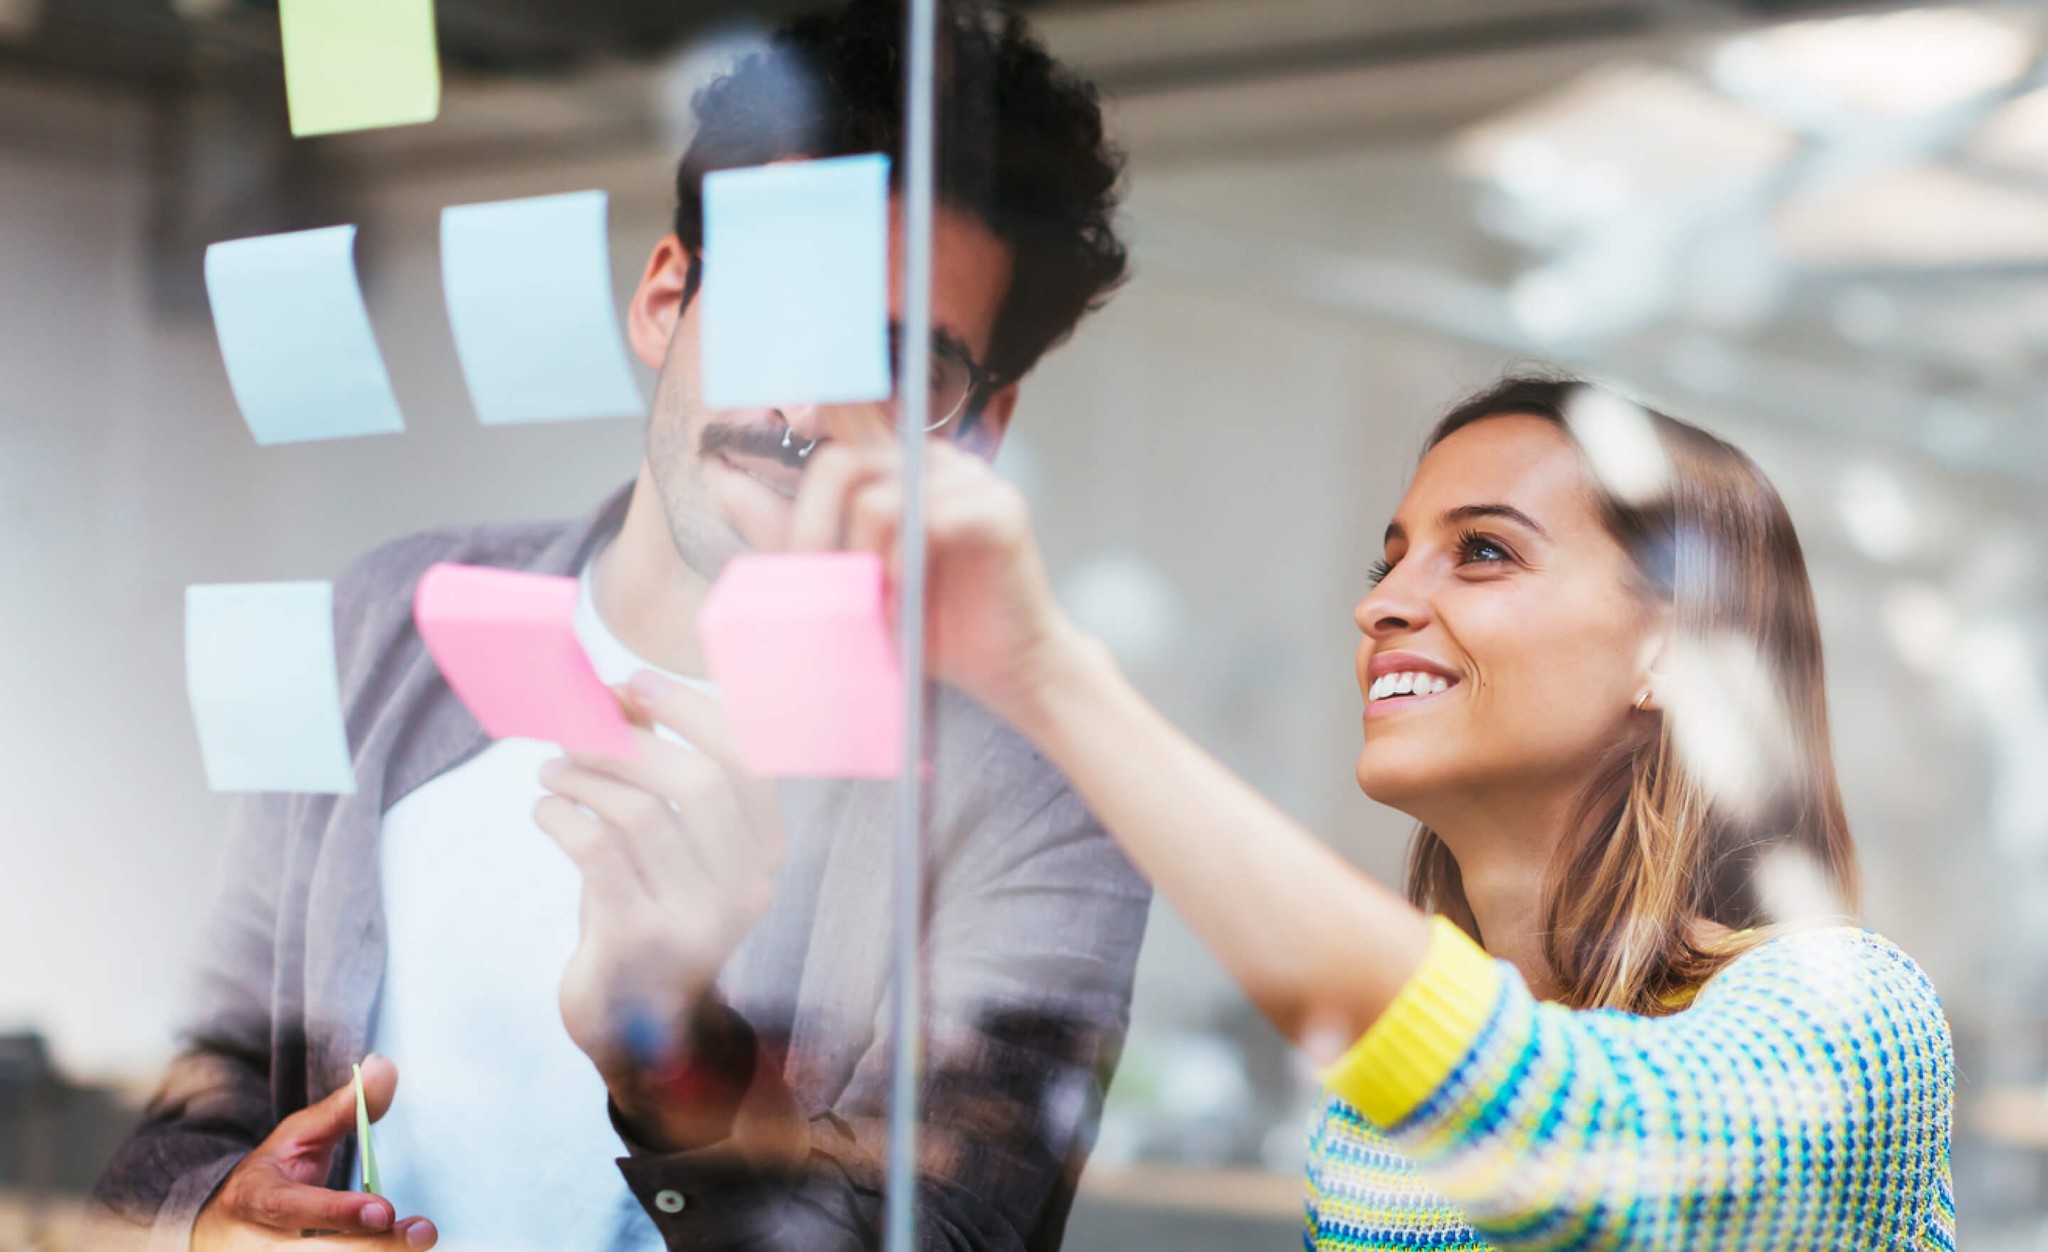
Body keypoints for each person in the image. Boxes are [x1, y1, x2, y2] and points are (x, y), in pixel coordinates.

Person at [87, 2, 1149, 1249]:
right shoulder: (387, 626)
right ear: (663, 299)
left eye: (902, 368)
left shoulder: (1040, 792)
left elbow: (955, 1237)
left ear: (976, 427)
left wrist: (680, 1068)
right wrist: (214, 1214)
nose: (809, 411)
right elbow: (199, 1097)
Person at [789, 375, 1955, 1247]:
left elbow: (1576, 1152)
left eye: (1482, 551)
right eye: (1386, 562)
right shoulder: (1365, 1130)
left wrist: (1049, 676)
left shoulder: (1850, 1019)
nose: (1385, 603)